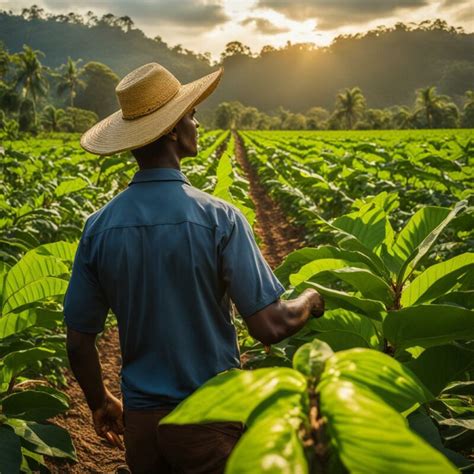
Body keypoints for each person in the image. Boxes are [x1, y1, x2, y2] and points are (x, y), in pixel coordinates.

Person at [64, 63, 324, 474]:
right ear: (170, 130)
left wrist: (100, 401)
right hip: (208, 419)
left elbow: (79, 343)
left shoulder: (98, 227)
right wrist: (310, 300)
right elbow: (269, 326)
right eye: (190, 114)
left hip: (143, 427)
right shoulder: (220, 218)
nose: (197, 123)